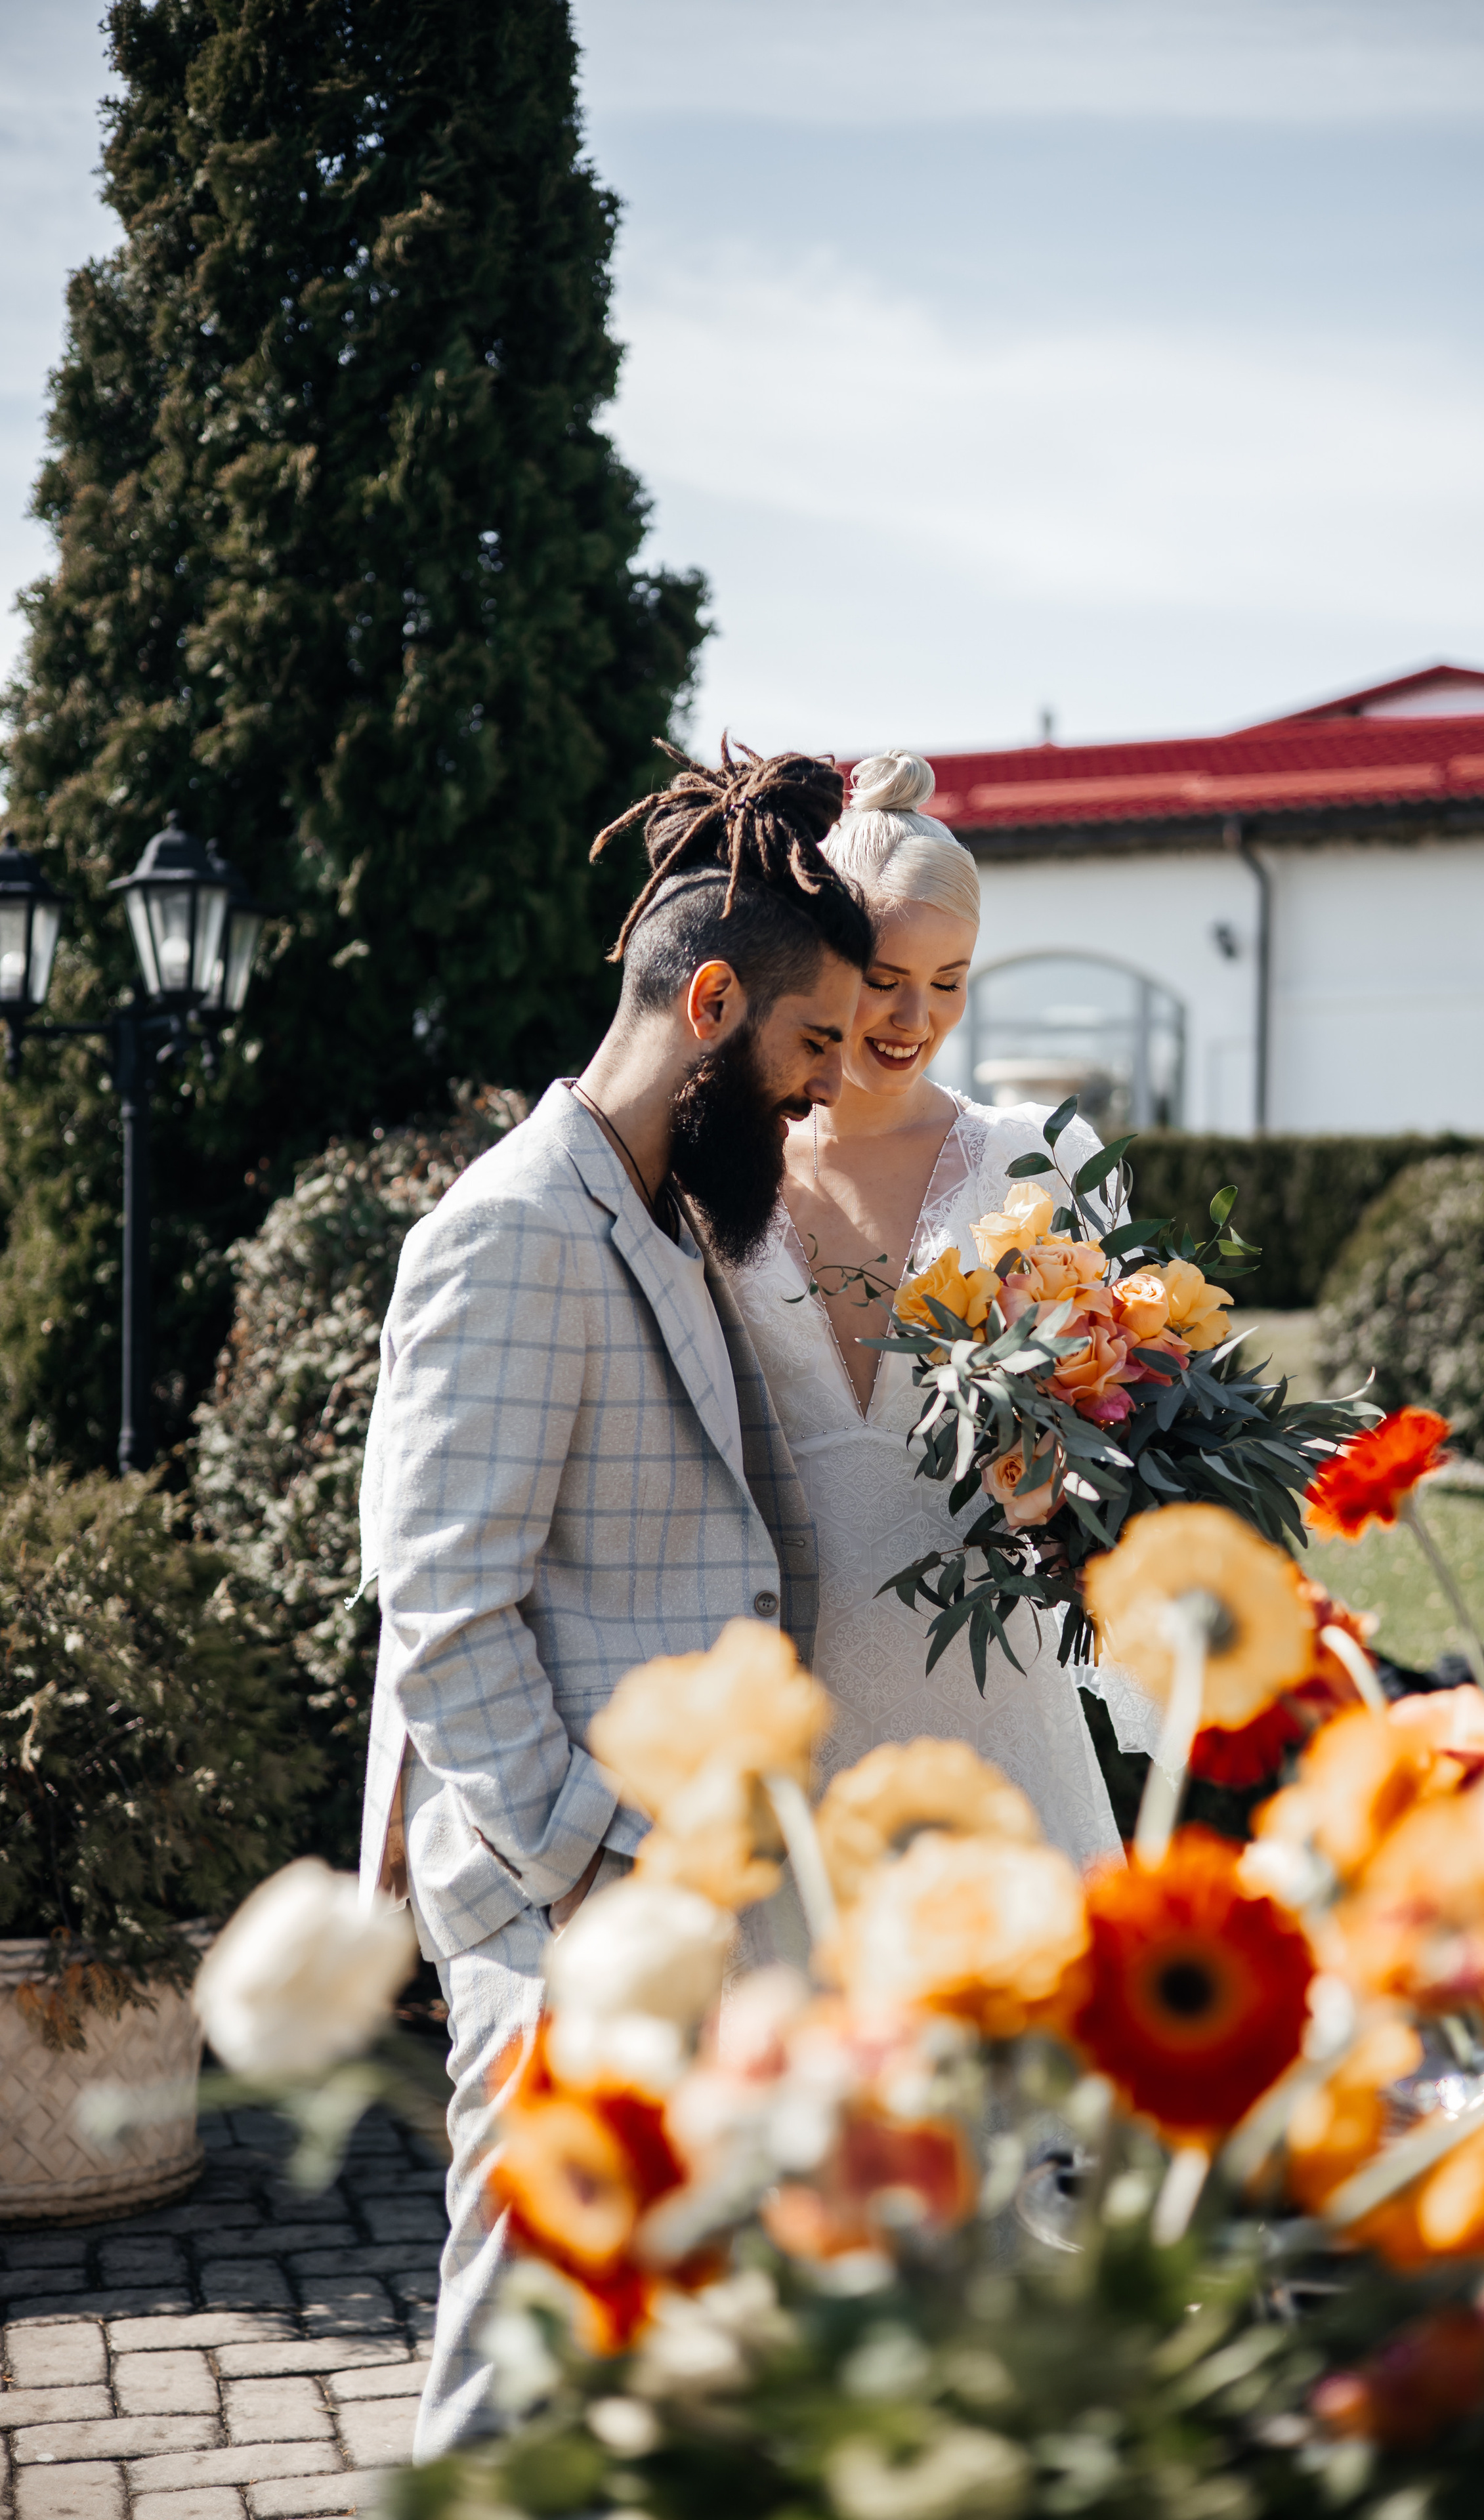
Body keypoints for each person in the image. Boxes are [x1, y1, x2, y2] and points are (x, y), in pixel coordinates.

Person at [356, 742, 874, 2456]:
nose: (814, 1101)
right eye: (805, 1051)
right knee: (514, 2382)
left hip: (701, 1904)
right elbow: (443, 1616)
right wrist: (592, 1877)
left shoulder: (683, 1220)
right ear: (713, 1000)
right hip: (566, 1921)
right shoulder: (510, 1232)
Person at [721, 751, 1157, 1868]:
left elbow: (1142, 1428)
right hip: (786, 1717)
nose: (917, 1017)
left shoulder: (1036, 1162)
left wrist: (1066, 1498)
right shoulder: (719, 1168)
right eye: (885, 977)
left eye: (952, 980)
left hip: (994, 1707)